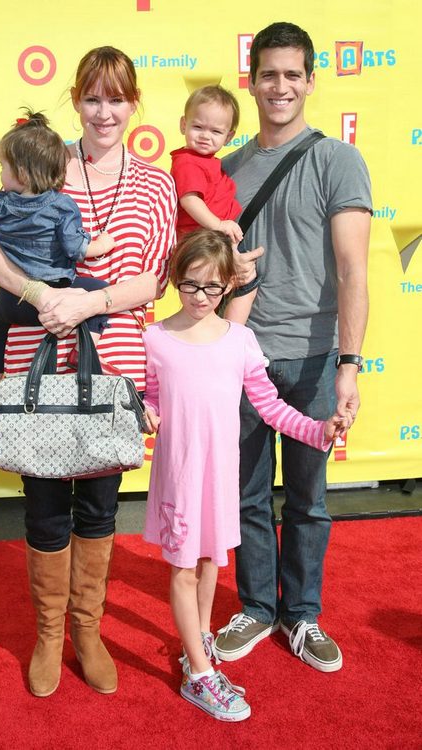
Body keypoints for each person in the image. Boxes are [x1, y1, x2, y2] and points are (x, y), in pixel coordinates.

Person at [0, 46, 178, 699]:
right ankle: (51, 634)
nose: (104, 111)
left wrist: (91, 299)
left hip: (112, 363)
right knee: (45, 506)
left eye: (116, 98)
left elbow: (157, 274)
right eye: (92, 97)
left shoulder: (155, 183)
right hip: (35, 355)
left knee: (99, 507)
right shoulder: (44, 162)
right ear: (75, 101)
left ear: (133, 103)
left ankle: (88, 631)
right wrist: (37, 295)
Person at [214, 22, 372, 673]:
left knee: (308, 499)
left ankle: (302, 615)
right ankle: (256, 605)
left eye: (292, 74)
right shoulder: (225, 168)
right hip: (240, 357)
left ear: (309, 81)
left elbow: (353, 270)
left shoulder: (337, 159)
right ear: (251, 81)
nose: (280, 86)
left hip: (311, 360)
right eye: (268, 74)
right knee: (247, 496)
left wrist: (348, 365)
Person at [142, 229, 350, 720]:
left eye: (212, 288)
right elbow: (151, 396)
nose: (200, 297)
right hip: (179, 476)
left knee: (212, 563)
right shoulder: (155, 337)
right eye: (190, 285)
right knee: (182, 568)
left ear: (227, 288)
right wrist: (147, 412)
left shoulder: (240, 339)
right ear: (175, 280)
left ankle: (201, 642)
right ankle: (198, 672)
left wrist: (319, 430)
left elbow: (272, 407)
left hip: (220, 476)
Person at [0, 109, 112, 410]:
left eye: (2, 167)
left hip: (11, 299)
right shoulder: (62, 205)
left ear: (21, 173)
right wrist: (100, 244)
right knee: (99, 288)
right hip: (58, 293)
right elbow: (75, 248)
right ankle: (86, 348)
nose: (0, 175)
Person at [170, 85, 243, 246]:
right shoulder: (187, 162)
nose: (205, 136)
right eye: (198, 127)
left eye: (215, 132)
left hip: (213, 238)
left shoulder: (208, 161)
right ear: (184, 125)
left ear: (228, 137)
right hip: (197, 241)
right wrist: (219, 225)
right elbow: (190, 200)